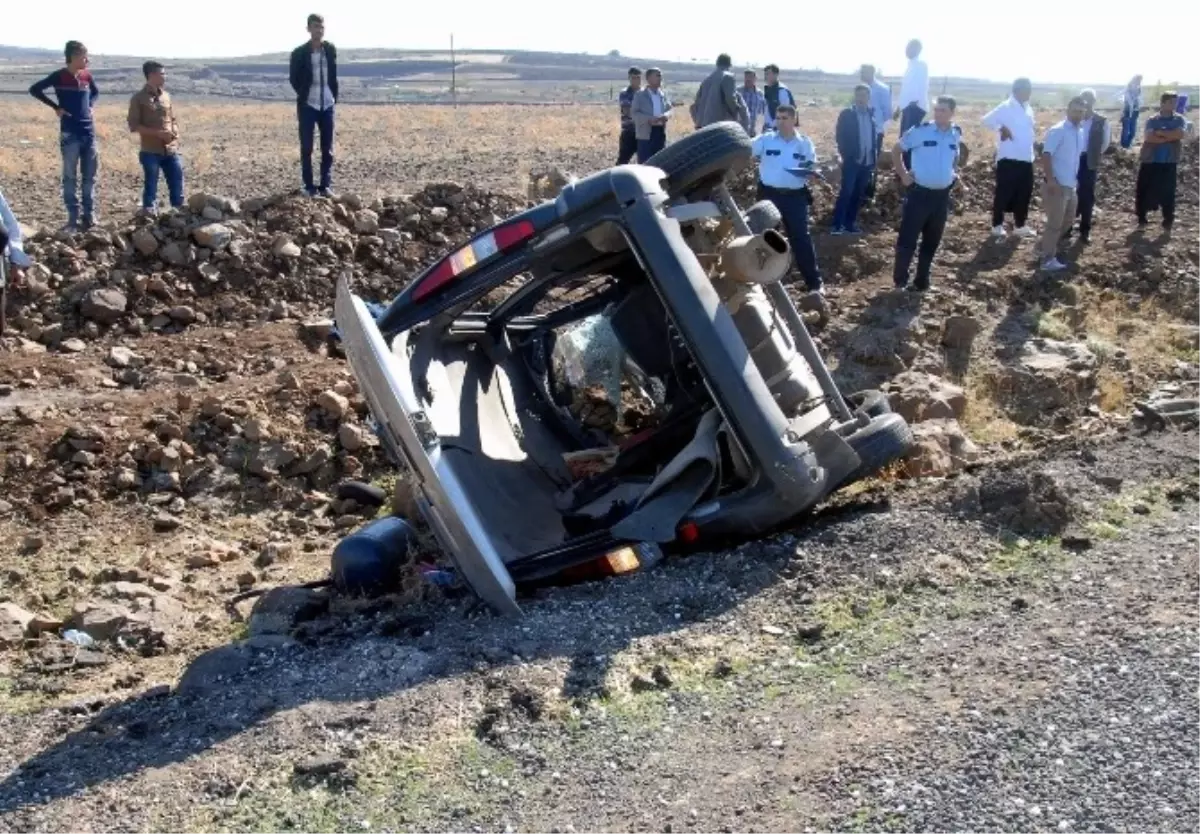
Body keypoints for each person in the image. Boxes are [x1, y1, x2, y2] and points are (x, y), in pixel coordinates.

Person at [891, 95, 965, 292]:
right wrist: (904, 175)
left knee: (932, 241)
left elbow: (954, 157)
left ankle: (921, 282)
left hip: (941, 197)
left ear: (952, 113)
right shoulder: (920, 131)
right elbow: (896, 150)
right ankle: (900, 282)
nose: (938, 113)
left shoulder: (955, 133)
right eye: (937, 109)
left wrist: (953, 175)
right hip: (919, 194)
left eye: (943, 110)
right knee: (908, 239)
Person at [751, 104, 824, 294]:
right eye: (778, 118)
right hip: (769, 196)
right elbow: (746, 150)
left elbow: (812, 165)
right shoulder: (765, 140)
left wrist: (813, 173)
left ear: (794, 119)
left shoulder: (804, 143)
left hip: (795, 197)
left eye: (785, 118)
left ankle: (814, 285)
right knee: (766, 238)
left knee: (801, 239)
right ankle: (765, 283)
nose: (780, 122)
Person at [28, 40, 100, 232]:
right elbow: (35, 89)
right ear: (74, 56)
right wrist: (56, 107)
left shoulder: (86, 76)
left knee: (89, 177)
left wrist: (91, 106)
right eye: (84, 56)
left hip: (89, 133)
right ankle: (72, 218)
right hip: (70, 133)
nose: (87, 60)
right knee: (70, 177)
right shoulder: (59, 76)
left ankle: (89, 216)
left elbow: (95, 92)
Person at [289, 13, 339, 197]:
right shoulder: (299, 53)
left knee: (328, 147)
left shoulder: (330, 50)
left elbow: (333, 76)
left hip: (327, 104)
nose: (319, 30)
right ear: (309, 29)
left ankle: (325, 185)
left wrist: (333, 96)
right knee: (307, 147)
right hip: (308, 104)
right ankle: (308, 186)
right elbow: (293, 78)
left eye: (322, 27)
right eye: (316, 26)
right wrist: (304, 93)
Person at [981, 77, 1037, 239]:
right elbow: (986, 120)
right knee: (1004, 193)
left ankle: (1020, 225)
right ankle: (997, 225)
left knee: (1024, 192)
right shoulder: (1006, 106)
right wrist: (1001, 128)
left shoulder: (1028, 108)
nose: (1030, 92)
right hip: (1009, 157)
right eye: (1027, 89)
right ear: (1018, 90)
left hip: (1026, 157)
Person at [1037, 97, 1087, 273]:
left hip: (1071, 184)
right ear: (1068, 110)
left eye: (1081, 112)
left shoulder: (1079, 132)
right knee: (1054, 223)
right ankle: (1047, 260)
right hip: (1056, 185)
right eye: (1075, 111)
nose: (1078, 115)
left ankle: (1045, 248)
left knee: (1068, 220)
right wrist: (1051, 180)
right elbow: (1047, 155)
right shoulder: (1058, 130)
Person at [127, 61, 183, 216]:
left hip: (170, 150)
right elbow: (134, 125)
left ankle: (178, 215)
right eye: (162, 74)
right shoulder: (138, 98)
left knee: (177, 182)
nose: (165, 76)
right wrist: (157, 134)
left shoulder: (166, 96)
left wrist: (174, 134)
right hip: (150, 150)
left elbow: (173, 119)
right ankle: (149, 215)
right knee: (151, 184)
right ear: (151, 75)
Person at [1136, 92, 1189, 233]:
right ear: (1163, 103)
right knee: (1144, 190)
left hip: (1169, 161)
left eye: (1175, 102)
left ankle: (1167, 220)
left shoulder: (1179, 119)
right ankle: (1142, 219)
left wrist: (1161, 134)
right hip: (1150, 160)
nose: (1174, 105)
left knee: (1168, 192)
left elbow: (1180, 134)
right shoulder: (1152, 119)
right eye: (1171, 102)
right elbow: (1149, 137)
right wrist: (1169, 136)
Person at [832, 84, 877, 235]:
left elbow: (873, 138)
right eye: (859, 95)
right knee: (847, 192)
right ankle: (837, 225)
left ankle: (850, 223)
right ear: (855, 96)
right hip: (852, 160)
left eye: (864, 95)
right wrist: (845, 155)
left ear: (868, 97)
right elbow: (840, 136)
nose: (861, 98)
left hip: (867, 162)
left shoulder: (871, 115)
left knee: (858, 194)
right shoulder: (847, 114)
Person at [1072, 89, 1111, 244]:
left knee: (1087, 195)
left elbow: (1105, 143)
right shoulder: (1074, 119)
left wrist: (1093, 154)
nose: (1086, 103)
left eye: (1089, 100)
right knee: (1070, 193)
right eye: (1083, 100)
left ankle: (1085, 229)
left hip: (1089, 161)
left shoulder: (1101, 121)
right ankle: (1068, 227)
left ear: (1094, 102)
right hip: (1073, 160)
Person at [691, 53, 745, 129]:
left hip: (702, 127)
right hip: (718, 126)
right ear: (729, 65)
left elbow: (695, 105)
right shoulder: (728, 77)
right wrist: (737, 114)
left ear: (717, 64)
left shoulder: (706, 80)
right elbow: (730, 99)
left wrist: (698, 121)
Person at [632, 68, 672, 162]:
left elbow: (670, 109)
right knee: (645, 163)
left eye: (661, 76)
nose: (660, 78)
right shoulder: (640, 95)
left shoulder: (662, 94)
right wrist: (649, 119)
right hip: (646, 134)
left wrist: (666, 115)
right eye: (657, 75)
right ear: (649, 78)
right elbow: (634, 113)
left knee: (660, 162)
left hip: (660, 133)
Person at [896, 40, 929, 137]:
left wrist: (913, 104)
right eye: (906, 48)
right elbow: (906, 90)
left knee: (910, 139)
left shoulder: (921, 65)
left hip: (915, 107)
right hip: (907, 108)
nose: (907, 50)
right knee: (904, 138)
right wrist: (899, 108)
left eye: (910, 48)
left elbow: (921, 86)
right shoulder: (909, 66)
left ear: (918, 49)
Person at [860, 64, 892, 157]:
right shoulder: (861, 88)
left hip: (876, 129)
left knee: (873, 155)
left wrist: (881, 127)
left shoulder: (882, 89)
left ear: (871, 73)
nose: (861, 75)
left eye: (863, 72)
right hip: (861, 127)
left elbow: (887, 111)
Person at [617, 67, 642, 164]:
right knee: (623, 160)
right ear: (629, 78)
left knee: (645, 161)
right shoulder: (625, 93)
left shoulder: (645, 93)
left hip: (643, 133)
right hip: (629, 132)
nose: (636, 80)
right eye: (634, 78)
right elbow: (627, 111)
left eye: (638, 78)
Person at [762, 64, 796, 132]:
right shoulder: (768, 90)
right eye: (765, 74)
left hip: (778, 129)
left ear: (776, 75)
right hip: (768, 128)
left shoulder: (781, 91)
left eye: (768, 73)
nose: (766, 76)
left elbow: (786, 111)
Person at [1119, 75, 1143, 150]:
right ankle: (1124, 147)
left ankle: (1127, 145)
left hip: (1135, 113)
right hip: (1127, 113)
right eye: (1138, 80)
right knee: (1126, 131)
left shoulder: (1139, 90)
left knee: (1133, 132)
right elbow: (1125, 102)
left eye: (1140, 80)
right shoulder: (1128, 89)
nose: (1139, 82)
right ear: (1134, 79)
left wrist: (1139, 106)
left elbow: (1140, 101)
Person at [739, 69, 765, 136]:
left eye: (750, 77)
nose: (748, 79)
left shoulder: (760, 94)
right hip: (739, 130)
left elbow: (763, 112)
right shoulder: (738, 91)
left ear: (755, 79)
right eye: (746, 77)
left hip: (753, 131)